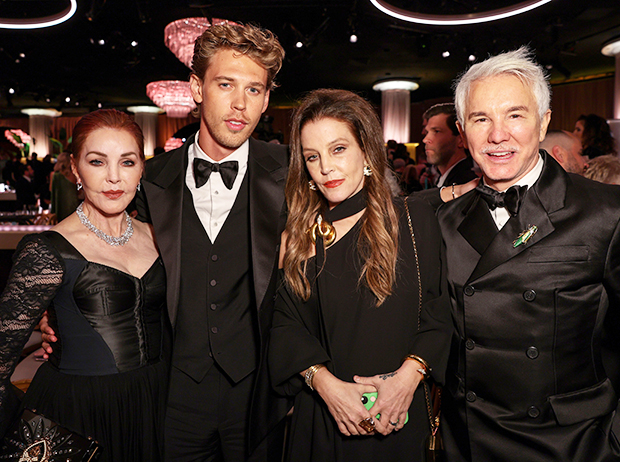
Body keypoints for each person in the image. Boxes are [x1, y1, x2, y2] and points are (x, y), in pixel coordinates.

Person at [434, 46, 620, 461]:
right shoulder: (443, 222)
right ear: (463, 132)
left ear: (543, 122)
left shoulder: (607, 211)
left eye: (515, 115)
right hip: (470, 442)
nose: (498, 135)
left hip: (574, 444)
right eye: (482, 119)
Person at [268, 89, 452, 461]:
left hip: (400, 416)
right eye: (312, 156)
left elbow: (440, 311)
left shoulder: (413, 221)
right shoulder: (298, 237)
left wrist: (407, 380)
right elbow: (284, 326)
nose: (325, 167)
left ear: (366, 151)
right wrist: (326, 387)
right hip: (324, 418)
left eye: (338, 149)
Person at [134, 23, 287, 461]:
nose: (240, 104)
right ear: (197, 88)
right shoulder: (151, 178)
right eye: (226, 85)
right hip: (174, 395)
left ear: (266, 99)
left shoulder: (293, 171)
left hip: (260, 395)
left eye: (254, 90)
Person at [0, 109, 169, 461]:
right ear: (75, 168)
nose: (113, 178)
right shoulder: (45, 250)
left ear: (141, 168)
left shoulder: (160, 236)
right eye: (97, 162)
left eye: (127, 162)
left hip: (158, 402)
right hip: (83, 412)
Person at [421, 103, 478, 188]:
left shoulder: (464, 185)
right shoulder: (445, 179)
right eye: (427, 132)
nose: (425, 139)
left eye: (436, 131)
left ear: (461, 140)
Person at [50, 151, 80, 221]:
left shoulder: (55, 175)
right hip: (74, 206)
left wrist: (53, 211)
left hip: (60, 206)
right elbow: (79, 191)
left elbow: (52, 193)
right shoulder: (75, 175)